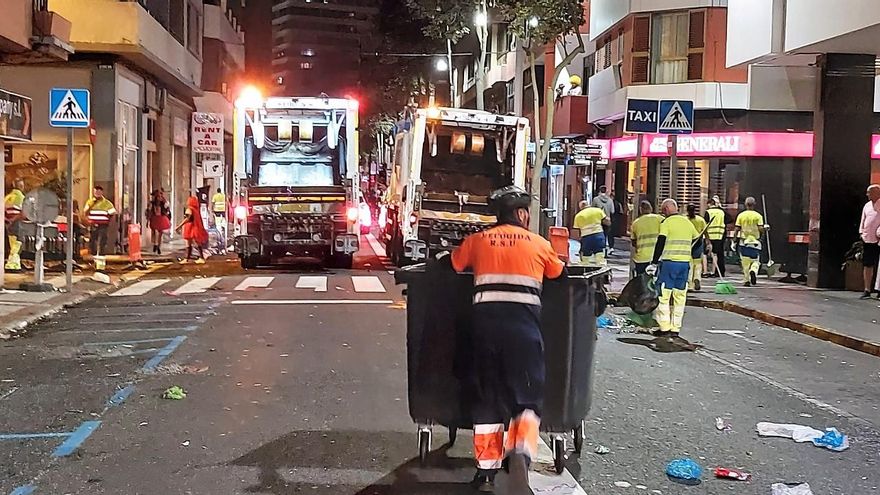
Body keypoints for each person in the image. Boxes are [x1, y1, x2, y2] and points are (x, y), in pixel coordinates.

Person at [450, 186, 564, 494]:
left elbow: (455, 264)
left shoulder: (477, 240)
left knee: (486, 398)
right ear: (522, 214)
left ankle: (486, 470)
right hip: (523, 335)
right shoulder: (538, 244)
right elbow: (557, 273)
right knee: (526, 398)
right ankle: (520, 454)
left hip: (484, 333)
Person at [650, 199, 700, 336]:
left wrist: (654, 261)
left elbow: (661, 242)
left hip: (669, 264)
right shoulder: (687, 222)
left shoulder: (666, 223)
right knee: (680, 296)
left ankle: (665, 327)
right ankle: (675, 328)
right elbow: (698, 239)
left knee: (663, 296)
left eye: (662, 210)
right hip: (684, 264)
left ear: (666, 210)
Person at [734, 197, 767, 287]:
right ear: (754, 204)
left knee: (745, 262)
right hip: (755, 241)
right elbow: (760, 228)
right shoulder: (758, 216)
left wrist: (734, 240)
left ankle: (746, 280)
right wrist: (765, 229)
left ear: (745, 204)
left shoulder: (741, 215)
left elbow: (737, 229)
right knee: (756, 260)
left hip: (744, 241)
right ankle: (754, 270)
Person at [858, 185, 880, 298]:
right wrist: (862, 233)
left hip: (879, 240)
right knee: (867, 264)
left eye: (869, 192)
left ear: (877, 193)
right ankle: (867, 289)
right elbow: (863, 220)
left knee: (879, 265)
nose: (867, 195)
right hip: (867, 239)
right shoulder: (867, 206)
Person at [630, 200, 663, 276]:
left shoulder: (636, 223)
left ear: (641, 210)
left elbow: (633, 242)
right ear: (651, 208)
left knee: (642, 281)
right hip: (658, 257)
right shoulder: (660, 219)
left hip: (642, 258)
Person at [573, 199, 610, 266]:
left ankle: (585, 267)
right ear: (588, 205)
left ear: (580, 207)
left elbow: (576, 231)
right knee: (599, 253)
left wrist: (579, 240)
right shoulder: (598, 210)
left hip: (586, 236)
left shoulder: (578, 216)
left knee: (585, 255)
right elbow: (607, 221)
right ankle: (601, 267)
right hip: (598, 234)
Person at [84, 185, 117, 257]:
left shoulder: (107, 203)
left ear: (102, 192)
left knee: (102, 240)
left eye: (99, 192)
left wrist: (107, 220)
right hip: (93, 224)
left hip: (103, 225)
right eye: (96, 192)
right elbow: (85, 212)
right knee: (92, 240)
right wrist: (91, 205)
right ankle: (93, 254)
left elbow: (113, 213)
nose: (97, 194)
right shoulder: (90, 202)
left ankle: (101, 254)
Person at [176, 196, 208, 264]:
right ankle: (200, 257)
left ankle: (187, 259)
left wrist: (179, 226)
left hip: (190, 227)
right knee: (197, 242)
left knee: (188, 243)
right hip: (194, 227)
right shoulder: (196, 210)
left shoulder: (189, 209)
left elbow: (187, 219)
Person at [704, 196, 731, 277]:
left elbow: (705, 224)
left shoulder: (708, 212)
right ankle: (714, 272)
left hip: (709, 235)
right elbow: (729, 219)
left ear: (709, 204)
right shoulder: (721, 212)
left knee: (705, 253)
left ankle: (705, 272)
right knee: (716, 254)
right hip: (719, 235)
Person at [686, 204, 709, 291]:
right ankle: (697, 278)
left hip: (688, 242)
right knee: (698, 263)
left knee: (690, 264)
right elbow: (705, 232)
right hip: (698, 242)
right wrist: (708, 242)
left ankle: (690, 284)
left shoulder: (685, 220)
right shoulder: (700, 220)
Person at [4, 179, 25, 271]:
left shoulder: (7, 197)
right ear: (21, 186)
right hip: (17, 223)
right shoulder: (21, 197)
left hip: (7, 224)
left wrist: (7, 221)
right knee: (17, 244)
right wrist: (13, 220)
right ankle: (12, 265)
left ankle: (15, 264)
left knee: (12, 243)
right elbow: (24, 213)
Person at [147, 189, 171, 255]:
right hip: (155, 218)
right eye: (157, 196)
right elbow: (149, 211)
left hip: (161, 218)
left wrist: (164, 201)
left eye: (160, 196)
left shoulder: (163, 203)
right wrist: (148, 219)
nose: (159, 198)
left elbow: (167, 208)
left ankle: (158, 246)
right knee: (155, 231)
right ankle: (155, 244)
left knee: (160, 233)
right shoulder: (152, 203)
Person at [592, 186, 615, 254]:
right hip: (607, 220)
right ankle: (605, 249)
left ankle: (598, 249)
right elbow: (612, 211)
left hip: (598, 220)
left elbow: (592, 209)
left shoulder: (595, 199)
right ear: (606, 191)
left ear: (599, 191)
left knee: (597, 234)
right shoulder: (610, 200)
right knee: (605, 235)